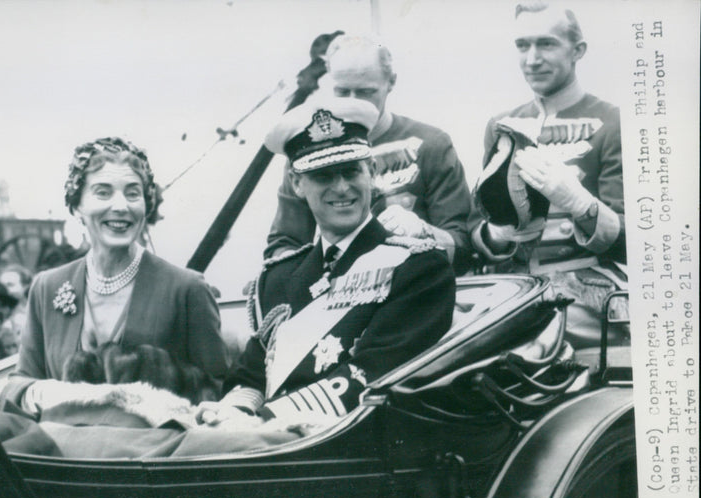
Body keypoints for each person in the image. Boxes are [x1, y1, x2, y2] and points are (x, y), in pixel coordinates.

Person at [199, 97, 455, 426]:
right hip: (270, 443)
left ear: (372, 172)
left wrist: (260, 423)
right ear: (297, 184)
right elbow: (249, 377)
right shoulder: (278, 277)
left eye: (351, 172)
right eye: (323, 176)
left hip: (353, 447)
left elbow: (372, 374)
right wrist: (234, 416)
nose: (341, 188)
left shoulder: (419, 268)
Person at [1, 137, 229, 412]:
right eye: (103, 192)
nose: (121, 206)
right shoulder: (47, 287)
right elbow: (20, 381)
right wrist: (45, 393)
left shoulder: (186, 288)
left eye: (133, 193)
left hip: (155, 449)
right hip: (62, 450)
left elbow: (217, 392)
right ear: (76, 207)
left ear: (146, 204)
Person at [470, 2, 626, 348]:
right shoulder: (501, 125)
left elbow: (639, 240)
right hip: (514, 290)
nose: (532, 58)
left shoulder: (614, 122)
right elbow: (476, 228)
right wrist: (498, 234)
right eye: (523, 45)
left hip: (587, 296)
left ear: (578, 50)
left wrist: (581, 204)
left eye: (547, 44)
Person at [265, 34, 473, 273]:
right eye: (342, 91)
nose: (353, 102)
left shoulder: (432, 144)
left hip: (417, 286)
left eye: (366, 91)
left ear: (391, 81)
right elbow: (285, 244)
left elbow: (464, 249)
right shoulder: (305, 153)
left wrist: (424, 231)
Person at [0, 264, 33, 343]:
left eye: (10, 285)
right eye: (2, 286)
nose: (5, 290)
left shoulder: (32, 311)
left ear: (25, 286)